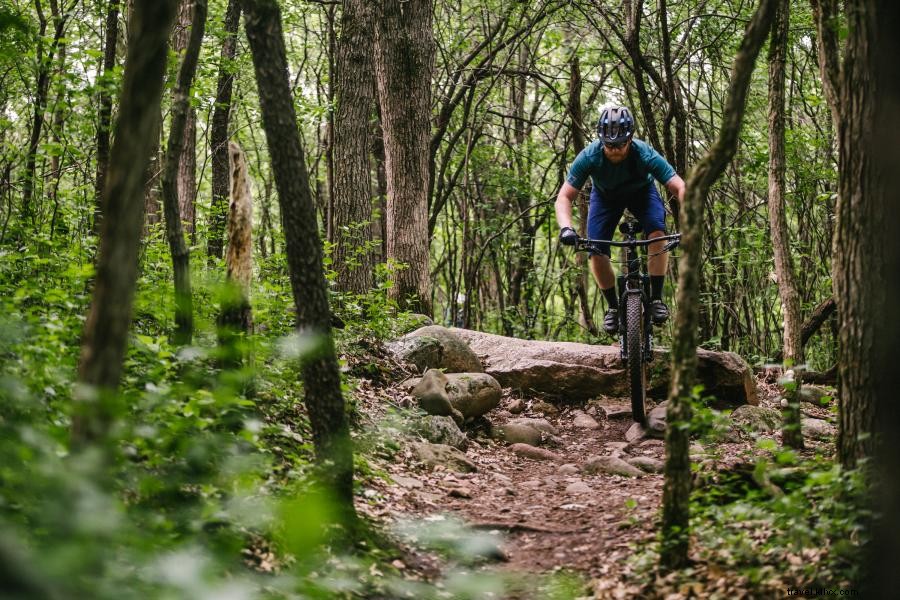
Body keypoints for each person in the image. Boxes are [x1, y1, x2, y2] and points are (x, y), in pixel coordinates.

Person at [555, 106, 686, 334]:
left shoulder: (644, 153)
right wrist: (566, 228)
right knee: (596, 250)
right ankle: (614, 308)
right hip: (605, 198)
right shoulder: (589, 156)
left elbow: (679, 187)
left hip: (642, 193)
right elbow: (564, 197)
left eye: (620, 145)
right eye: (609, 145)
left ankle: (656, 298)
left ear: (630, 139)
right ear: (601, 140)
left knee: (657, 234)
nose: (614, 150)